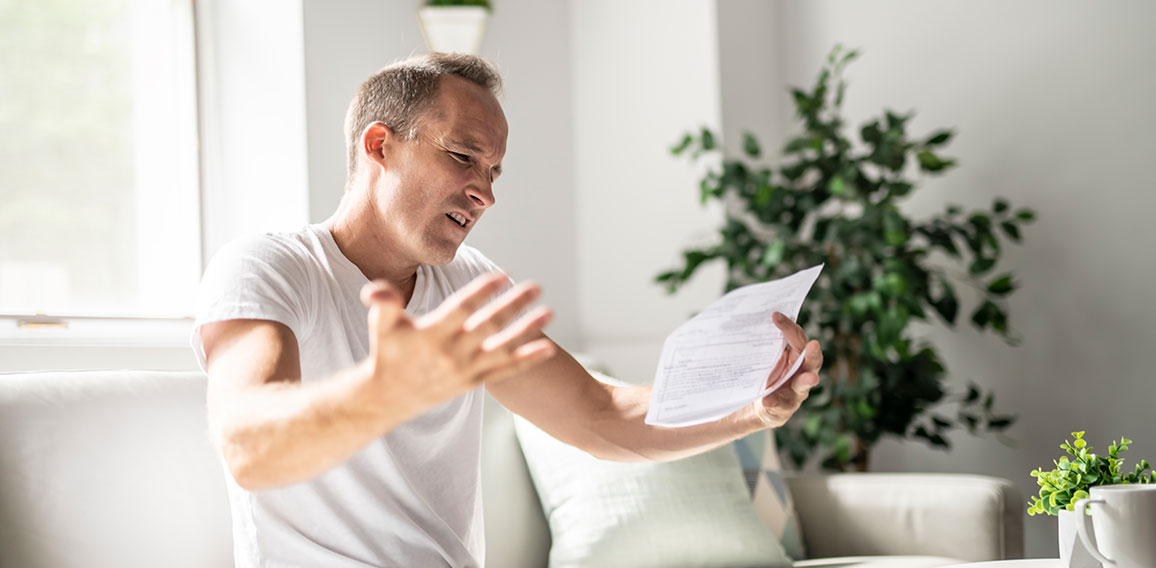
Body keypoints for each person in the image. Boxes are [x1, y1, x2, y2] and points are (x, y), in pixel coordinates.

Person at [192, 52, 823, 568]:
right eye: (463, 156)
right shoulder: (267, 268)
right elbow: (250, 448)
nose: (485, 193)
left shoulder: (469, 284)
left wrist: (748, 410)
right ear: (379, 145)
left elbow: (601, 417)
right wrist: (382, 392)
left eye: (494, 170)